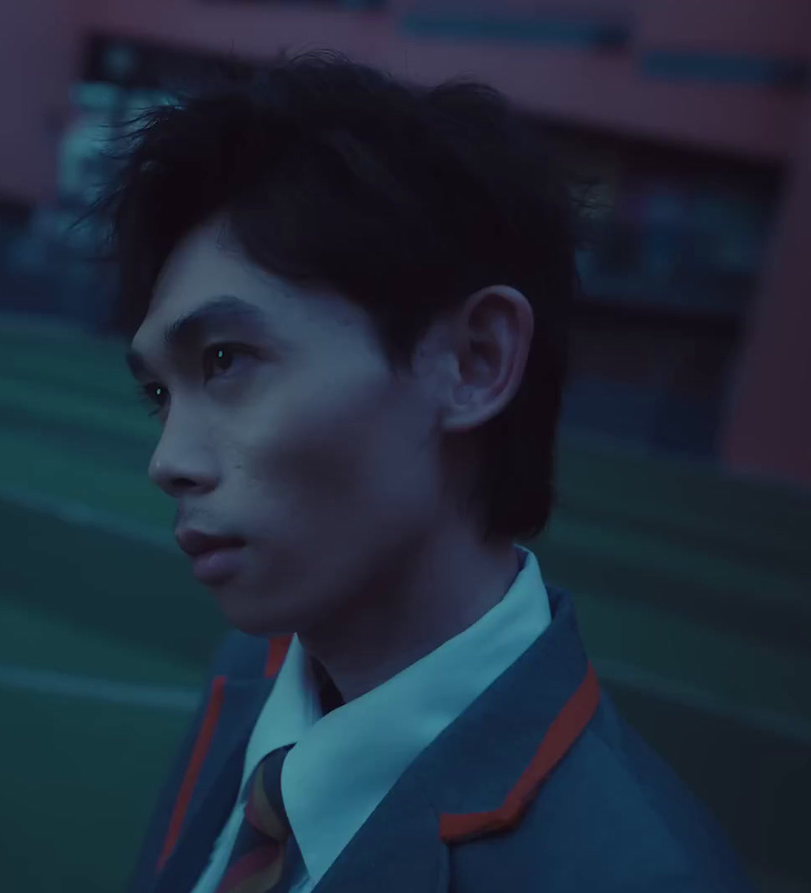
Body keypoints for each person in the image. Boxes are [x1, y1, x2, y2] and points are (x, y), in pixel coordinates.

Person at [97, 52, 756, 893]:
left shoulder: (637, 875)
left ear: (475, 361)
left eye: (225, 359)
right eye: (159, 391)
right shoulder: (248, 679)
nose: (168, 460)